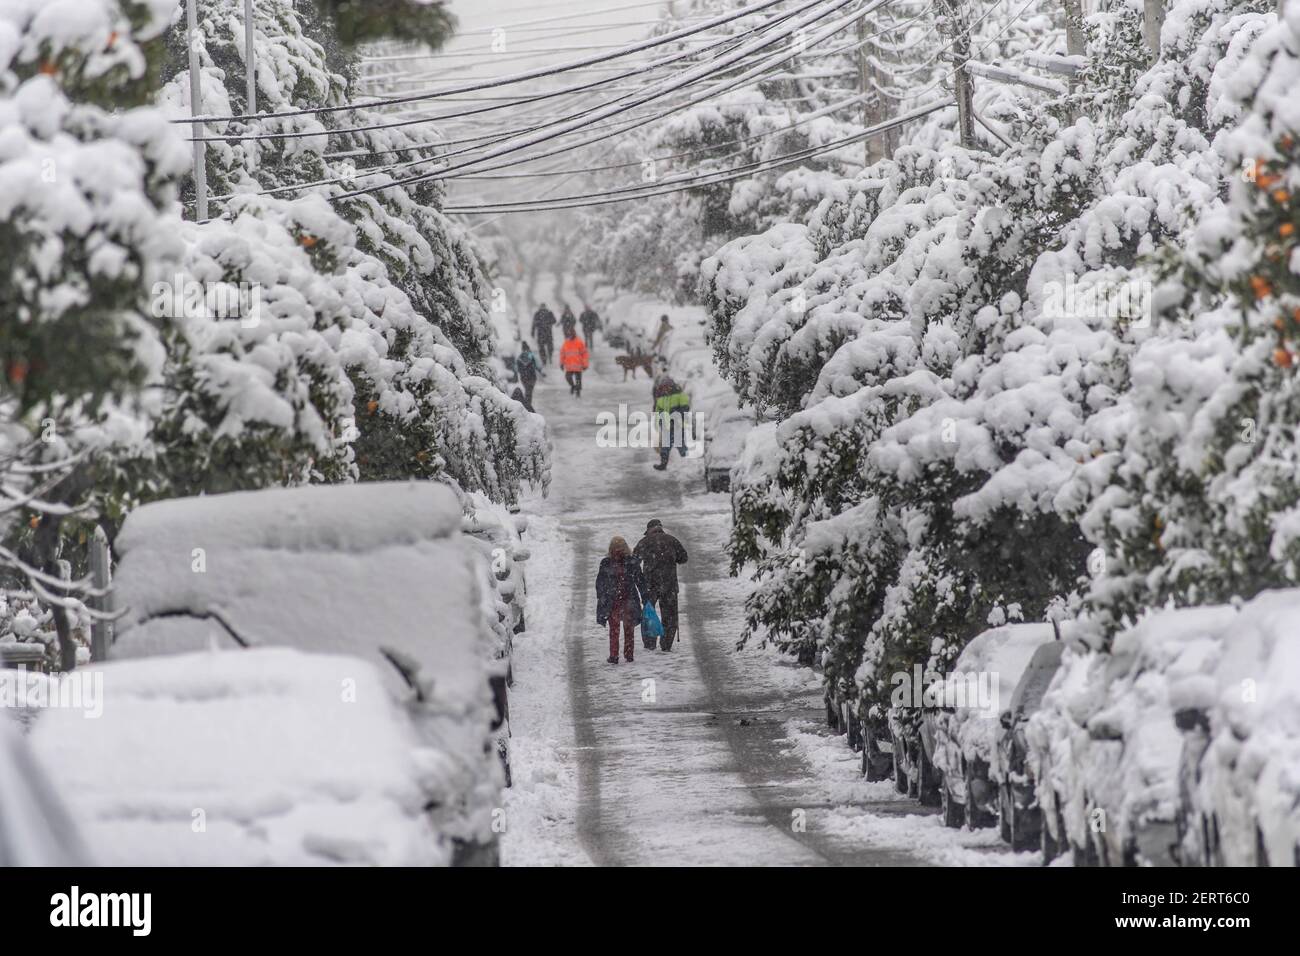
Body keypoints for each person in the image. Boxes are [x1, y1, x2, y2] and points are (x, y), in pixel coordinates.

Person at [633, 519, 688, 652]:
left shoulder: (644, 542)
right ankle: (666, 644)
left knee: (649, 613)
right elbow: (683, 558)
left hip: (650, 585)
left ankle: (650, 643)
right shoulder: (672, 540)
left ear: (649, 530)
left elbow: (633, 561)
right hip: (669, 584)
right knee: (670, 615)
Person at [595, 536, 649, 664]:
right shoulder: (632, 562)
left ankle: (614, 656)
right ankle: (629, 654)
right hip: (629, 600)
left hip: (612, 600)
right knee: (628, 629)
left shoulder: (606, 562)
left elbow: (600, 583)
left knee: (614, 630)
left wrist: (601, 596)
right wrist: (645, 596)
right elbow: (640, 581)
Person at [652, 379, 691, 470]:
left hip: (677, 424)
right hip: (666, 425)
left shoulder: (680, 396)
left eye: (667, 387)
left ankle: (686, 460)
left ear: (672, 387)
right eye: (663, 388)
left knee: (679, 442)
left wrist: (677, 415)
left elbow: (685, 408)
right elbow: (658, 412)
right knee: (665, 445)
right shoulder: (661, 399)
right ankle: (663, 464)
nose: (665, 389)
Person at [559, 327, 590, 397]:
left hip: (578, 366)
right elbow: (562, 354)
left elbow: (585, 354)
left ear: (574, 334)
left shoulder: (579, 342)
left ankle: (578, 394)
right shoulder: (566, 343)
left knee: (578, 381)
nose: (570, 335)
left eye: (571, 333)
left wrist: (585, 364)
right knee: (568, 377)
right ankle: (573, 386)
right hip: (569, 366)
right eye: (569, 334)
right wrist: (561, 363)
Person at [516, 341, 542, 407]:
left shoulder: (519, 357)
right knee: (529, 391)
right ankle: (528, 404)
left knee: (527, 390)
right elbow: (538, 365)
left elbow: (517, 368)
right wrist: (541, 372)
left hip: (524, 377)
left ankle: (527, 404)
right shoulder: (532, 356)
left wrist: (521, 371)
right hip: (532, 376)